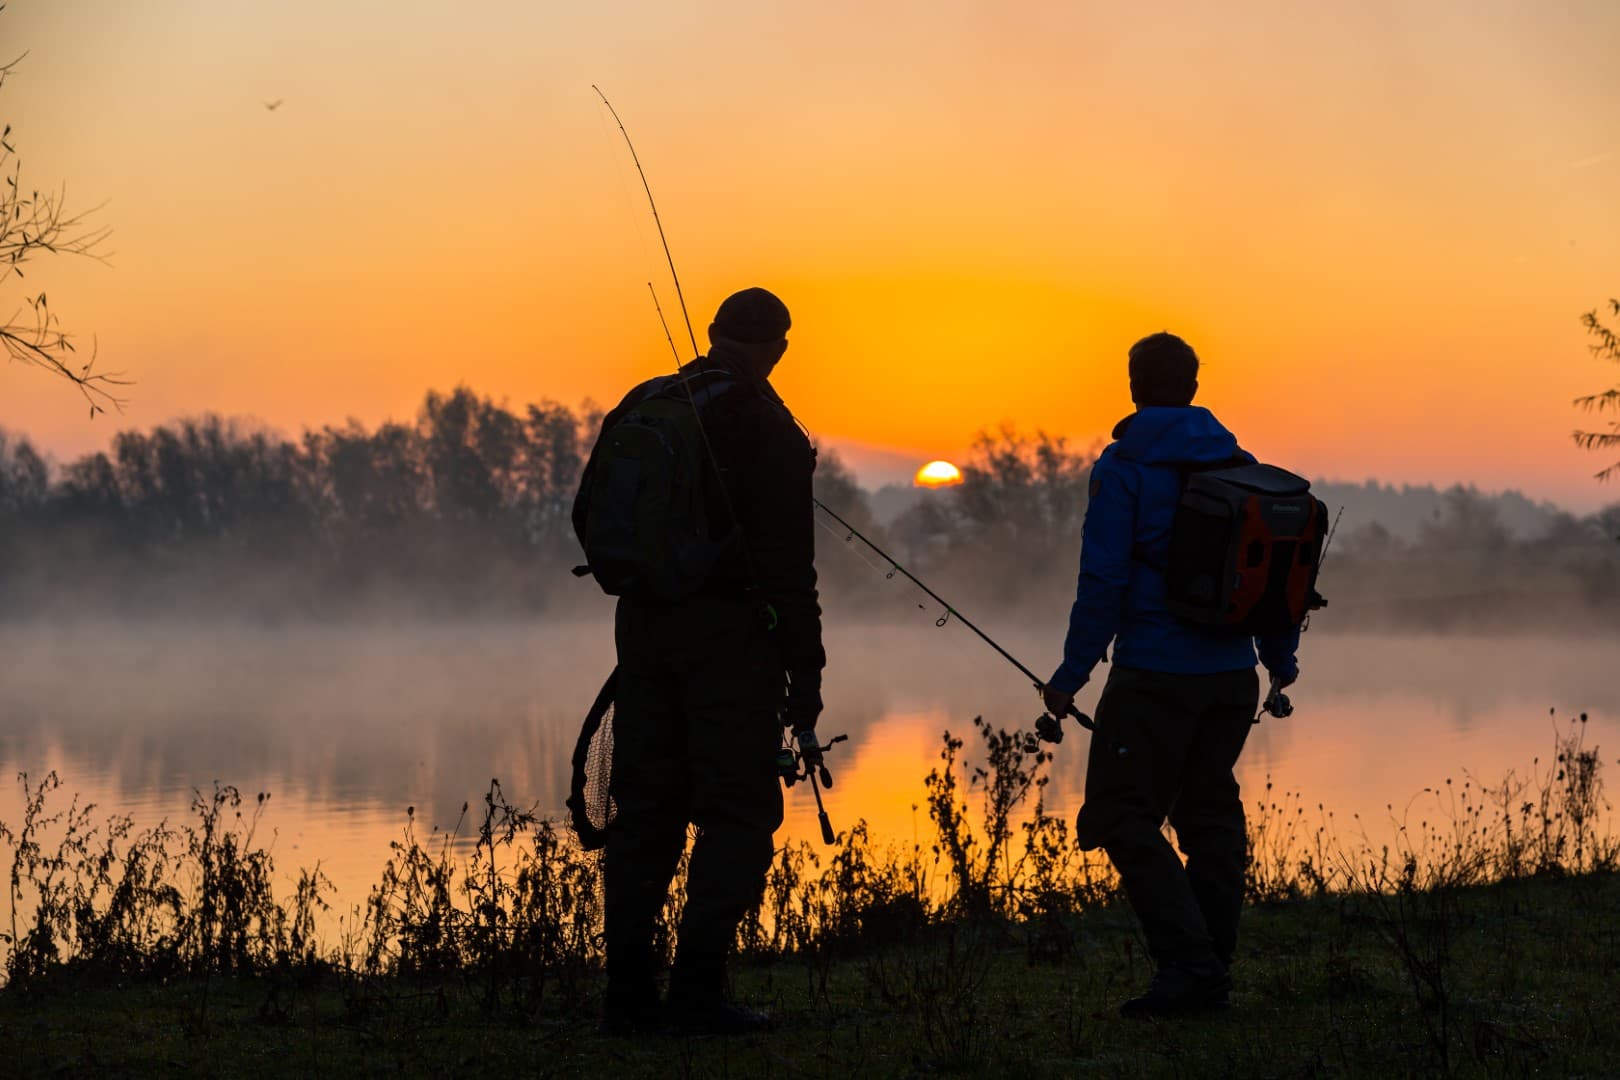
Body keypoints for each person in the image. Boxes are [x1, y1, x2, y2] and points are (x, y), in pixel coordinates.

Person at [574, 287, 824, 1035]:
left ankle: (627, 999)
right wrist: (804, 679)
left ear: (714, 334)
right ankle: (697, 995)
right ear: (780, 346)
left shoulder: (650, 400)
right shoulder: (768, 427)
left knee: (645, 811)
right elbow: (790, 570)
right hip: (729, 642)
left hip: (644, 630)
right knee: (739, 815)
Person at [1040, 332, 1301, 1017]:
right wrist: (1279, 662)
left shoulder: (1123, 468)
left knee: (1119, 814)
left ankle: (1190, 967)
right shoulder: (1243, 466)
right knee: (1208, 810)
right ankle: (1210, 965)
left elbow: (1103, 580)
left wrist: (1069, 676)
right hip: (1231, 677)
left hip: (1153, 676)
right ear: (1192, 386)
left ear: (1134, 385)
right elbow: (1271, 574)